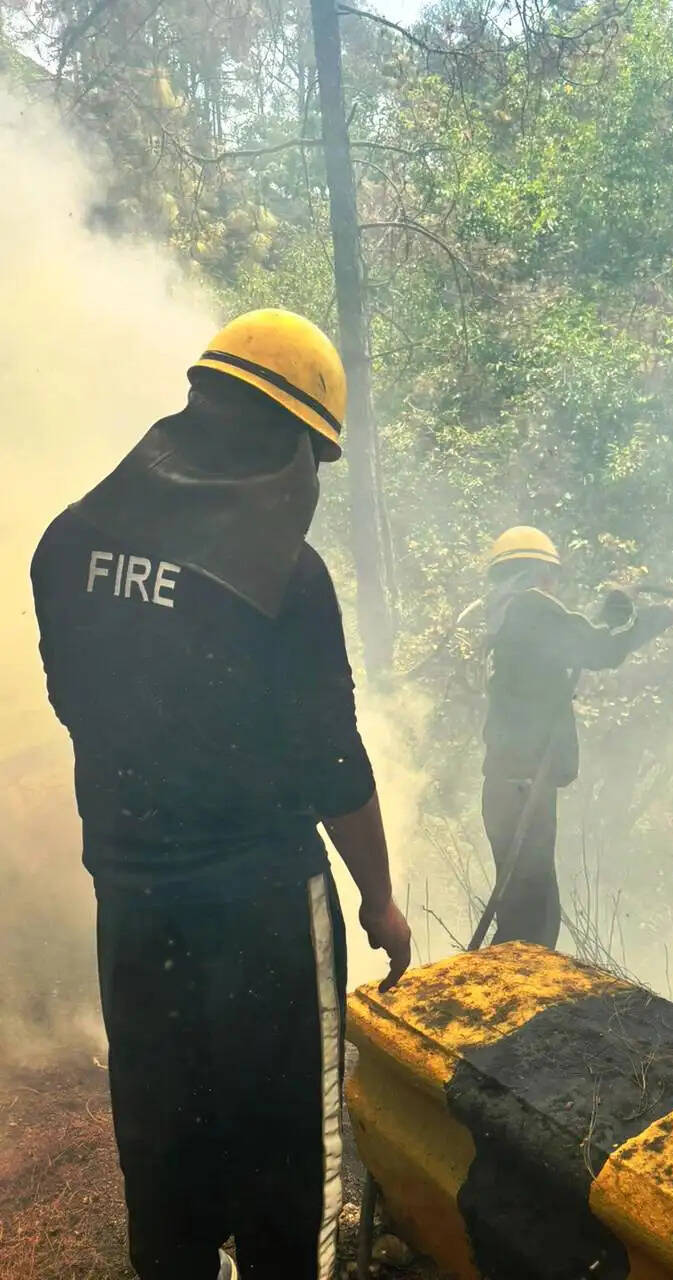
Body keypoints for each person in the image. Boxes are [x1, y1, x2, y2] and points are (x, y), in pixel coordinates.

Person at [30, 309, 411, 1280]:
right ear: (286, 440)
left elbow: (79, 704)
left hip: (133, 905)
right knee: (290, 1174)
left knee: (166, 1162)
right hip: (263, 918)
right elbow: (333, 764)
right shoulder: (288, 571)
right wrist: (379, 895)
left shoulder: (67, 544)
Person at [480, 525, 673, 949]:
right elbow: (601, 650)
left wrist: (618, 608)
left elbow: (580, 640)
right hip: (523, 786)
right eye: (553, 575)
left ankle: (499, 998)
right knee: (533, 920)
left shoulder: (510, 616)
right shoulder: (530, 609)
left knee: (525, 910)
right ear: (539, 574)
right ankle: (514, 1006)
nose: (555, 585)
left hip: (510, 785)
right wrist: (672, 615)